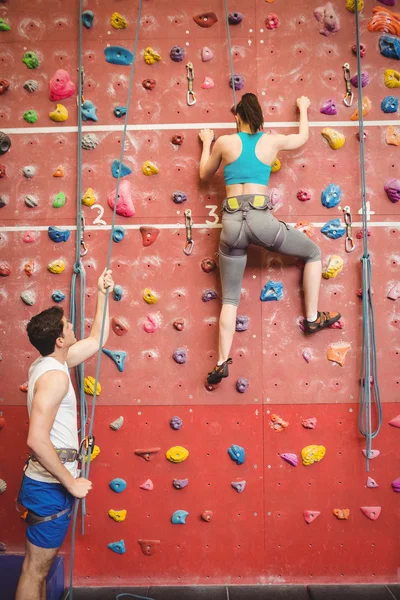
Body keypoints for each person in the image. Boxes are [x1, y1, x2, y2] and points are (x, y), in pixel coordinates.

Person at [199, 93, 341, 386]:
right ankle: (312, 317)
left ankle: (221, 362)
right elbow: (302, 137)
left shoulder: (224, 142)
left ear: (238, 117)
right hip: (261, 221)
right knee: (313, 252)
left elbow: (204, 174)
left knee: (229, 299)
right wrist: (302, 107)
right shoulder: (271, 141)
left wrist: (205, 143)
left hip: (231, 223)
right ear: (259, 117)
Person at [15, 269, 114, 600]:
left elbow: (98, 340)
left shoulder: (50, 363)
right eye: (69, 327)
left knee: (40, 570)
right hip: (49, 486)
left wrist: (102, 293)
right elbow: (36, 439)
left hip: (46, 484)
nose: (74, 328)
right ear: (59, 340)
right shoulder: (55, 377)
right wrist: (71, 483)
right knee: (35, 571)